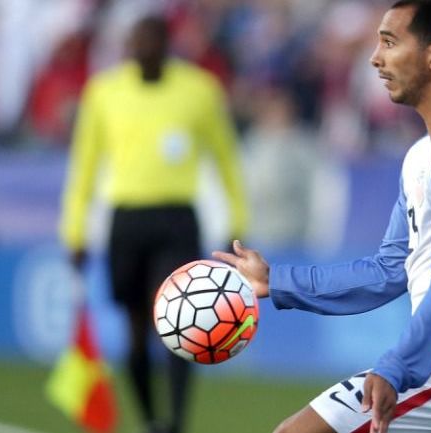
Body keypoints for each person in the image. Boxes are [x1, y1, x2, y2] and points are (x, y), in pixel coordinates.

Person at [215, 1, 431, 432]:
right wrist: (277, 281)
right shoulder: (424, 153)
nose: (375, 58)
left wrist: (398, 365)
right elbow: (388, 270)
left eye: (389, 42)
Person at [59, 15, 249, 433]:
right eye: (136, 42)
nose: (143, 49)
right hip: (126, 220)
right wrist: (74, 231)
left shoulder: (199, 91)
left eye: (152, 41)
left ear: (167, 45)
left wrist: (236, 221)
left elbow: (226, 161)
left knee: (182, 323)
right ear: (129, 46)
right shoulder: (104, 93)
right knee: (134, 331)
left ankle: (176, 423)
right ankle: (149, 420)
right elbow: (84, 168)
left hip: (177, 220)